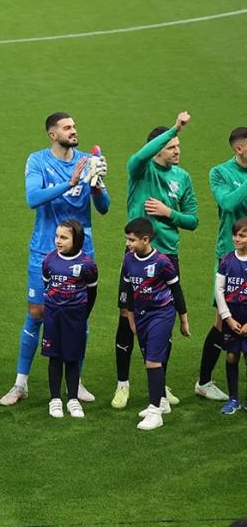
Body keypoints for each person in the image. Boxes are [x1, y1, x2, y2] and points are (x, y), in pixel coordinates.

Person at [1, 113, 108, 407]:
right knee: (37, 313)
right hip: (44, 250)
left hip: (81, 255)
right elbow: (33, 198)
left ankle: (76, 382)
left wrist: (97, 186)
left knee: (78, 315)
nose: (74, 131)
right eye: (67, 127)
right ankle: (20, 383)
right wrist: (70, 182)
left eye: (74, 126)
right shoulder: (37, 161)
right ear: (52, 134)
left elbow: (104, 208)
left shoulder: (88, 160)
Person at [112, 113, 198, 409]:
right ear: (158, 148)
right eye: (172, 146)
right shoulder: (140, 170)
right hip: (135, 258)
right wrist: (174, 128)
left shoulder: (182, 177)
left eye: (178, 146)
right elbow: (139, 155)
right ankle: (122, 384)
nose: (177, 150)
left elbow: (193, 220)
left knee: (164, 320)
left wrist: (168, 212)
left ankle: (159, 386)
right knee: (127, 316)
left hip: (167, 257)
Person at [119, 218, 190, 430]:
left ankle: (155, 412)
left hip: (162, 314)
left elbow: (177, 291)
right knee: (149, 359)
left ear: (145, 239)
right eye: (127, 239)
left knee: (152, 362)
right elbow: (130, 291)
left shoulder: (162, 262)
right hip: (141, 316)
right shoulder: (129, 260)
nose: (128, 244)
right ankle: (162, 401)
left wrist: (183, 320)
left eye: (131, 240)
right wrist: (131, 318)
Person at [197, 127, 247, 401]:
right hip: (231, 256)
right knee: (223, 320)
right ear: (240, 148)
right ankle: (204, 381)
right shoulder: (219, 172)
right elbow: (228, 203)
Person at [40, 220, 98, 419]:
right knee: (54, 357)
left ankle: (73, 399)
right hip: (53, 317)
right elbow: (47, 285)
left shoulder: (87, 264)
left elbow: (92, 293)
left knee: (73, 359)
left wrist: (81, 315)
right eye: (57, 236)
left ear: (77, 239)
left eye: (64, 237)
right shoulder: (49, 260)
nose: (58, 241)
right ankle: (55, 399)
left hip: (75, 318)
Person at [215, 217, 247, 414]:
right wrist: (227, 317)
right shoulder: (227, 260)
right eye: (235, 235)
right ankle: (233, 398)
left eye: (242, 236)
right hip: (232, 319)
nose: (237, 239)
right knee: (231, 356)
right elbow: (219, 291)